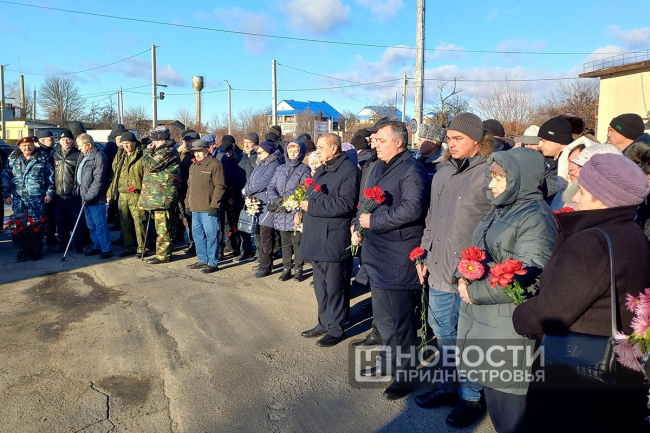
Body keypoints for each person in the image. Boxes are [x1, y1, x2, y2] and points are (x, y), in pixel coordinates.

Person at [512, 153, 650, 432]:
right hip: (619, 371)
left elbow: (550, 311)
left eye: (583, 192)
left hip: (577, 375)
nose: (575, 198)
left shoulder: (591, 242)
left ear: (603, 199)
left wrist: (520, 314)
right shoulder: (633, 233)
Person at [455, 147, 558, 432]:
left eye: (499, 177)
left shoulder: (535, 218)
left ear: (519, 178)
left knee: (510, 416)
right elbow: (476, 252)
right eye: (492, 176)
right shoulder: (501, 208)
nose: (492, 184)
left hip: (508, 328)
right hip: (486, 321)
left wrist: (473, 292)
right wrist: (461, 275)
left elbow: (529, 279)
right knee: (499, 408)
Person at [414, 113, 496, 427]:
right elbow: (432, 216)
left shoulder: (490, 171)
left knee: (467, 336)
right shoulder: (443, 171)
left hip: (469, 271)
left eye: (458, 138)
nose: (451, 144)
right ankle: (448, 386)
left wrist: (481, 264)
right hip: (437, 264)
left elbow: (495, 222)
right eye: (449, 138)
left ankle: (471, 397)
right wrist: (423, 252)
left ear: (477, 139)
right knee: (441, 329)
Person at [352, 121, 430, 400]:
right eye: (374, 140)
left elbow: (412, 208)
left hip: (398, 254)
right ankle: (387, 362)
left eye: (381, 140)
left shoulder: (412, 170)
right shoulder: (377, 168)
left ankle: (405, 376)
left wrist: (374, 222)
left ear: (399, 142)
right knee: (384, 319)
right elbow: (364, 203)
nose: (375, 145)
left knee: (401, 322)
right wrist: (357, 226)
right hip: (376, 253)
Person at [299, 133, 360, 347]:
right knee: (321, 286)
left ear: (334, 148)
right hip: (316, 236)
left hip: (333, 237)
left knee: (335, 287)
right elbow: (312, 196)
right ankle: (323, 322)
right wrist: (300, 208)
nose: (317, 151)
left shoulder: (348, 171)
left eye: (321, 147)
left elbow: (346, 204)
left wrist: (312, 206)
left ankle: (336, 328)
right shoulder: (322, 170)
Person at [2, 136, 54, 261]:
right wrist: (6, 195)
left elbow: (50, 177)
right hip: (19, 198)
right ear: (19, 147)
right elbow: (5, 176)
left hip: (37, 197)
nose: (27, 147)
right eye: (24, 145)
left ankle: (37, 250)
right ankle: (23, 250)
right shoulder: (12, 159)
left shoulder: (42, 158)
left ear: (34, 146)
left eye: (30, 145)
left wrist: (49, 193)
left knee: (37, 223)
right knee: (20, 224)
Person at [267, 140, 310, 282]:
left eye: (295, 151)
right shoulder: (280, 168)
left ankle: (298, 269)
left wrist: (284, 198)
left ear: (300, 153)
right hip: (280, 210)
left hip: (294, 210)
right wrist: (275, 199)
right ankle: (286, 268)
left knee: (297, 242)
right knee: (285, 242)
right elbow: (271, 185)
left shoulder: (304, 169)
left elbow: (302, 188)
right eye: (290, 151)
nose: (292, 153)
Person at [138, 126, 181, 264]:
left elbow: (151, 165)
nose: (153, 143)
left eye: (155, 141)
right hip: (157, 196)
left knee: (163, 228)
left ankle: (163, 255)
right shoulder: (160, 151)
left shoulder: (167, 151)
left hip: (163, 196)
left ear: (162, 140)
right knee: (161, 227)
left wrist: (147, 151)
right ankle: (163, 252)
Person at [185, 140, 226, 273]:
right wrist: (187, 203)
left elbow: (220, 186)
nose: (197, 154)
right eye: (194, 152)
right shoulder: (193, 166)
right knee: (197, 235)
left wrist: (215, 205)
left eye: (199, 151)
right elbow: (189, 187)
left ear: (206, 150)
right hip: (195, 207)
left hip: (208, 208)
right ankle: (202, 259)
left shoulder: (215, 164)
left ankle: (212, 262)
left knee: (211, 235)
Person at [246, 140, 283, 277]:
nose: (258, 154)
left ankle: (266, 266)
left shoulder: (274, 164)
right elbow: (250, 179)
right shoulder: (259, 164)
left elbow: (265, 182)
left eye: (260, 152)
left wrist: (248, 190)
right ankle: (263, 261)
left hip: (267, 205)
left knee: (266, 236)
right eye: (257, 152)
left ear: (268, 152)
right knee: (258, 235)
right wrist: (247, 188)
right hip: (256, 205)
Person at [107, 131, 146, 257]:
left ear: (134, 142)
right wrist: (110, 193)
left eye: (128, 143)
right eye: (123, 144)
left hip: (136, 193)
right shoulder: (120, 156)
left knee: (139, 222)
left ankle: (142, 247)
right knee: (124, 222)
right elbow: (114, 176)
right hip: (122, 194)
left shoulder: (142, 155)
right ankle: (128, 246)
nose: (126, 146)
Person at [75, 133, 112, 259]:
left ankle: (106, 249)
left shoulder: (99, 157)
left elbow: (98, 181)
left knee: (100, 225)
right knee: (91, 225)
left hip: (96, 199)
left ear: (89, 145)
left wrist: (88, 196)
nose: (79, 148)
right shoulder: (84, 156)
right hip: (85, 197)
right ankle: (97, 246)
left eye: (80, 145)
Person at [52, 129, 85, 255]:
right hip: (59, 195)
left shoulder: (78, 154)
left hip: (74, 194)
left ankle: (79, 245)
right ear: (59, 141)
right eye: (63, 139)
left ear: (72, 141)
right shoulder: (54, 155)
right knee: (61, 222)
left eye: (68, 139)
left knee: (77, 221)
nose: (65, 141)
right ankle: (64, 244)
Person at [537, 117, 574, 204]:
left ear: (560, 140)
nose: (539, 145)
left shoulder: (572, 165)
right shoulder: (539, 159)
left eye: (543, 141)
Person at [236, 132, 260, 262]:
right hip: (240, 193)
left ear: (255, 144)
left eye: (248, 142)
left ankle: (259, 252)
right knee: (243, 223)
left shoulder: (258, 156)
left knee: (256, 225)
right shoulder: (241, 156)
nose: (245, 145)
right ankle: (245, 250)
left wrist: (251, 156)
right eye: (244, 142)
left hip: (253, 195)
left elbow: (256, 169)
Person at [178, 131, 200, 256]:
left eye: (189, 141)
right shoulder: (182, 155)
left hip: (195, 193)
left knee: (195, 221)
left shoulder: (197, 156)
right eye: (184, 141)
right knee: (187, 219)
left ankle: (197, 244)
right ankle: (192, 242)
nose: (186, 143)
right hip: (184, 193)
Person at [36, 130, 58, 244]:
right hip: (42, 190)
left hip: (52, 188)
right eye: (51, 139)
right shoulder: (39, 153)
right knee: (44, 216)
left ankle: (51, 236)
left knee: (52, 215)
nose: (54, 141)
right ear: (42, 140)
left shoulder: (52, 151)